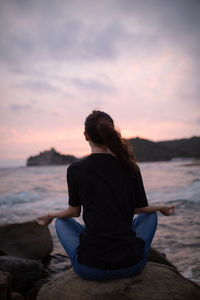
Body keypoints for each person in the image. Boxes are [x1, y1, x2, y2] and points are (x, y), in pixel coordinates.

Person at [37, 110, 175, 280]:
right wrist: (161, 207)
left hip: (89, 269)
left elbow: (73, 213)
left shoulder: (75, 169)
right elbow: (139, 209)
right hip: (131, 266)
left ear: (86, 136)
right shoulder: (130, 166)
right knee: (150, 215)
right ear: (112, 134)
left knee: (61, 222)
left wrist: (50, 215)